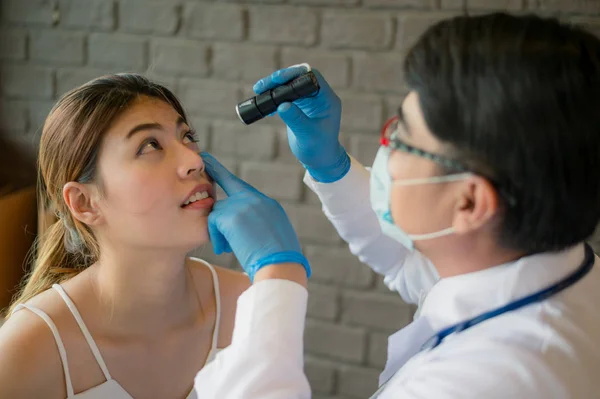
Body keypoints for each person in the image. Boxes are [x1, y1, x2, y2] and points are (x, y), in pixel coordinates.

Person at [192, 12, 600, 398]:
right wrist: (329, 165)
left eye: (401, 138)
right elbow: (416, 265)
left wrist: (276, 274)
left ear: (471, 201)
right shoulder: (554, 265)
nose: (385, 147)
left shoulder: (481, 382)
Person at [0, 74, 252, 398]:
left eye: (187, 136)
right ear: (84, 203)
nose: (194, 160)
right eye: (150, 145)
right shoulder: (28, 347)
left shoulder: (248, 302)